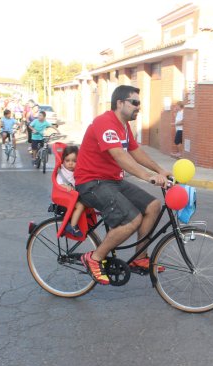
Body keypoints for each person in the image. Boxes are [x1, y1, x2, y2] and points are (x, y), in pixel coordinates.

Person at [74, 85, 171, 284]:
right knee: (132, 219)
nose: (138, 107)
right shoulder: (105, 122)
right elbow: (119, 155)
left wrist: (159, 171)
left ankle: (140, 258)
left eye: (139, 104)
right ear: (120, 103)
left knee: (153, 206)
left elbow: (135, 152)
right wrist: (147, 176)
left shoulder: (124, 127)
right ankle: (93, 258)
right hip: (92, 182)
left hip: (112, 181)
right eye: (134, 102)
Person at [56, 145, 85, 237]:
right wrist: (65, 186)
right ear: (63, 160)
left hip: (72, 196)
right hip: (64, 197)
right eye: (67, 160)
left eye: (74, 161)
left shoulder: (75, 171)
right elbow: (58, 183)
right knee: (80, 206)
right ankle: (72, 226)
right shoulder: (62, 171)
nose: (70, 163)